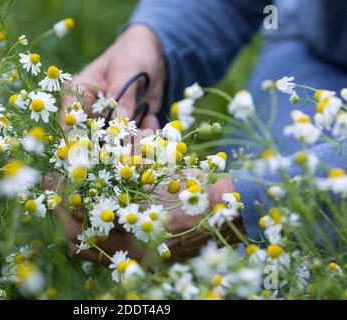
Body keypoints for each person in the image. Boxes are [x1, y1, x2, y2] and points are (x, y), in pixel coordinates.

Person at [59, 0, 347, 263]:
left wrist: (232, 202)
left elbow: (246, 202)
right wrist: (154, 39)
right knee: (251, 263)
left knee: (287, 255)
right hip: (323, 46)